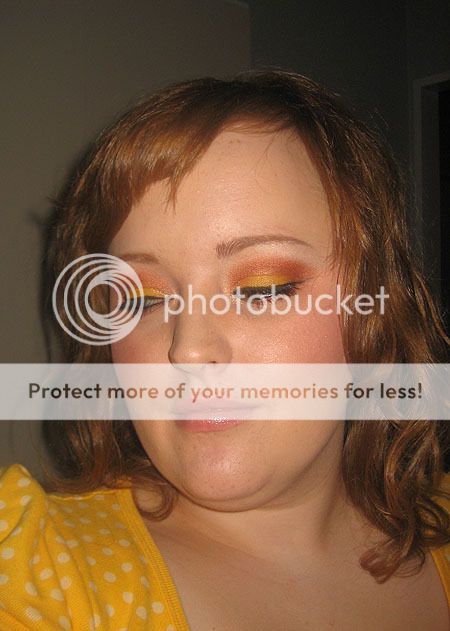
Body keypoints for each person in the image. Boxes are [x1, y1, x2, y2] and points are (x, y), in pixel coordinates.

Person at [1, 69, 449, 630]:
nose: (189, 350)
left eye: (263, 288)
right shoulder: (38, 572)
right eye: (143, 299)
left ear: (375, 306)